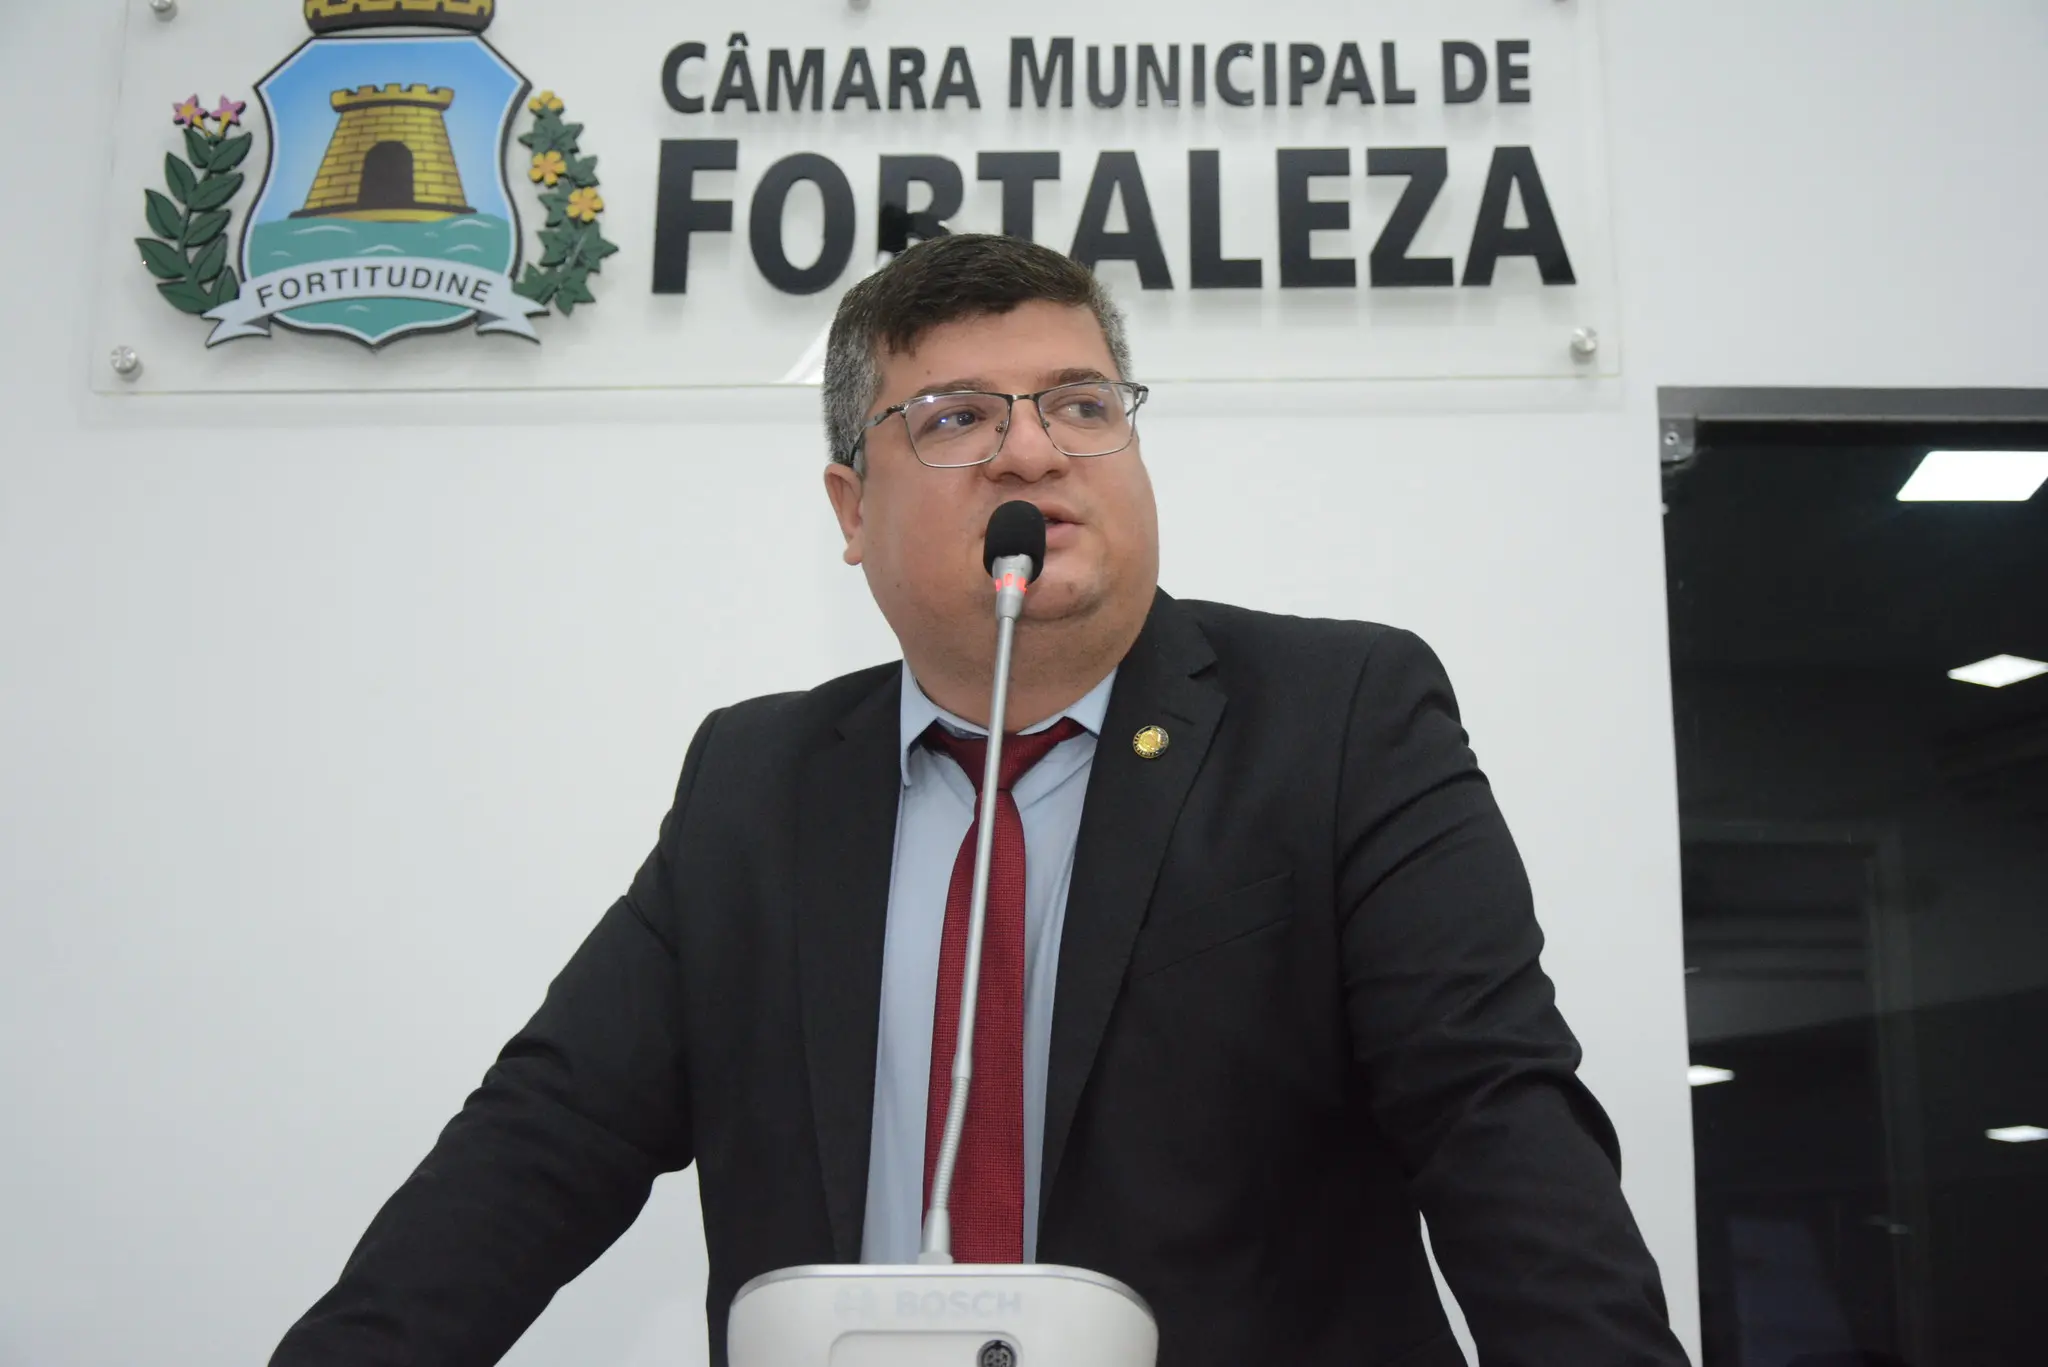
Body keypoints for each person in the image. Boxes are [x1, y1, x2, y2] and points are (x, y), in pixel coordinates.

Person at [271, 234, 1689, 1367]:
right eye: (955, 417)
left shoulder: (1337, 719)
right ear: (849, 508)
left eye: (1081, 404)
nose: (1033, 452)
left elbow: (1493, 1112)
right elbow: (542, 1142)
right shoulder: (754, 786)